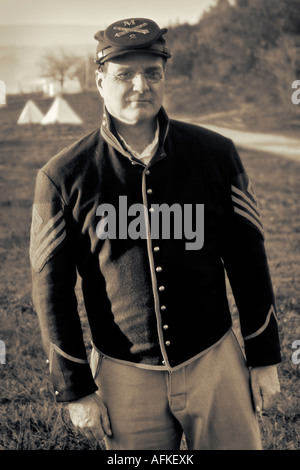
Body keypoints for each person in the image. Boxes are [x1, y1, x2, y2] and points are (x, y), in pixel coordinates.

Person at [30, 17, 281, 450]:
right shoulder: (63, 175)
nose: (140, 86)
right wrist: (75, 387)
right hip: (124, 373)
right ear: (100, 80)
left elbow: (248, 261)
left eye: (152, 72)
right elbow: (50, 291)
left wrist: (263, 358)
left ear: (165, 77)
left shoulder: (216, 155)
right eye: (125, 74)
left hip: (213, 358)